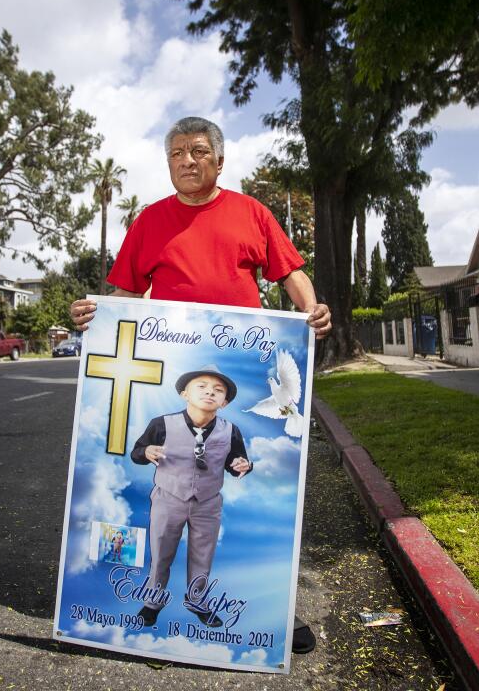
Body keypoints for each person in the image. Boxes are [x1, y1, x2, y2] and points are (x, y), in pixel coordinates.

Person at [71, 115, 330, 653]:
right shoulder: (149, 221)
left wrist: (312, 309)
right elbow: (119, 296)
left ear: (218, 158)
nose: (187, 161)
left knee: (265, 511)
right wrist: (91, 315)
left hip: (240, 360)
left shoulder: (251, 213)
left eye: (197, 151)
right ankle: (136, 601)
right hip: (176, 359)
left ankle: (273, 616)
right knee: (162, 531)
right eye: (176, 154)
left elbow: (290, 273)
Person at [130, 365, 251, 628]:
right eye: (202, 386)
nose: (210, 392)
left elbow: (236, 462)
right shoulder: (162, 424)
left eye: (218, 390)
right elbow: (137, 452)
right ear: (185, 393)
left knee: (202, 555)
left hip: (208, 502)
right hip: (168, 498)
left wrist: (243, 465)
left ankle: (198, 601)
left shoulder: (230, 431)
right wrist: (146, 451)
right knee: (161, 552)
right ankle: (153, 602)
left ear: (225, 402)